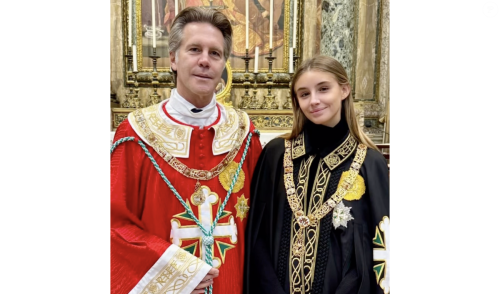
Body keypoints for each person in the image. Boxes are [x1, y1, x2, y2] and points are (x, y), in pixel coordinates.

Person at [110, 7, 263, 294]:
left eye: (215, 53)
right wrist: (174, 277)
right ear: (173, 59)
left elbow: (263, 225)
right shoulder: (136, 134)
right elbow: (114, 225)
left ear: (223, 64)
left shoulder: (244, 134)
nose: (205, 60)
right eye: (194, 49)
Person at [243, 55, 390, 294]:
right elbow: (257, 234)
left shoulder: (369, 163)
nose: (314, 101)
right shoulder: (276, 155)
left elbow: (376, 248)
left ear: (344, 90)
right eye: (304, 94)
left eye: (323, 89)